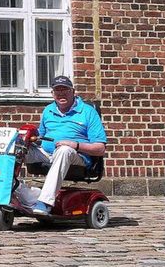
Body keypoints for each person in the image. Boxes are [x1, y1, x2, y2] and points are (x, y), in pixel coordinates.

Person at [26, 75, 107, 214]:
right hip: (47, 153)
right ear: (52, 94)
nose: (61, 93)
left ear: (73, 92)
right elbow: (40, 137)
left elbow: (100, 149)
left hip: (77, 157)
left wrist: (74, 145)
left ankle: (44, 202)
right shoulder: (48, 110)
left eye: (65, 90)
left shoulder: (88, 112)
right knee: (17, 148)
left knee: (64, 150)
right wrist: (26, 140)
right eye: (58, 90)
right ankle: (7, 193)